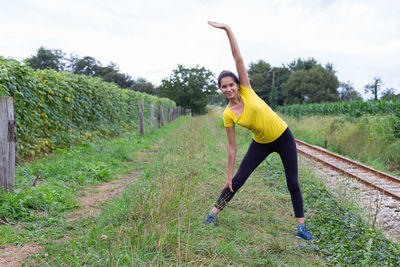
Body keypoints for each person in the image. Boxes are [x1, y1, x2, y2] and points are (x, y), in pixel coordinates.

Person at [204, 21, 317, 240]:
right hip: (261, 142)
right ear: (220, 89)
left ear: (238, 84)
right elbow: (232, 148)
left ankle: (301, 228)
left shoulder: (247, 90)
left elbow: (237, 58)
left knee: (292, 181)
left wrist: (228, 29)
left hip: (283, 137)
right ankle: (212, 214)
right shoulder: (228, 113)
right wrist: (228, 175)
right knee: (238, 179)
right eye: (223, 87)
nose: (228, 89)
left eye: (231, 84)